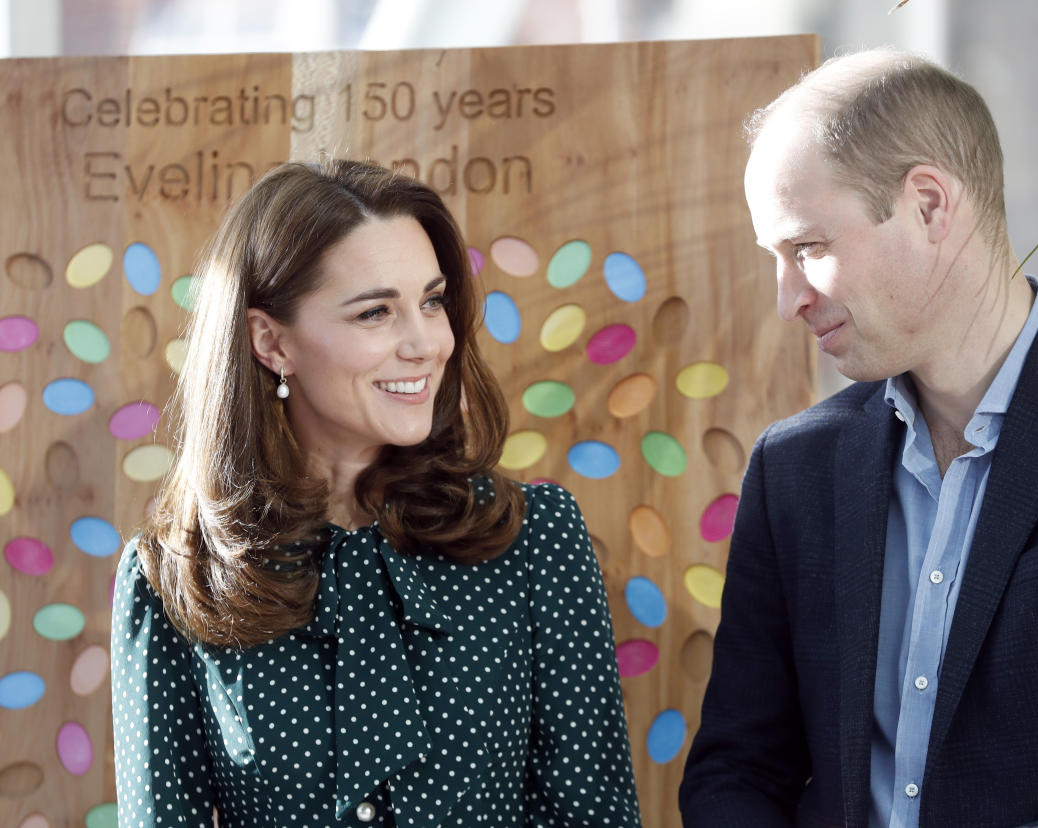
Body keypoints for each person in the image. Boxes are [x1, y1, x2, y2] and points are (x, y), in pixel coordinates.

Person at [679, 49, 1038, 827]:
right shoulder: (795, 467)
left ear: (930, 204)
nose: (788, 298)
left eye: (808, 249)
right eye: (776, 260)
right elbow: (736, 772)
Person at [110, 159, 641, 827]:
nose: (425, 342)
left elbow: (593, 813)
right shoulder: (172, 576)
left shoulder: (535, 536)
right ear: (271, 341)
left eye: (432, 300)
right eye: (376, 313)